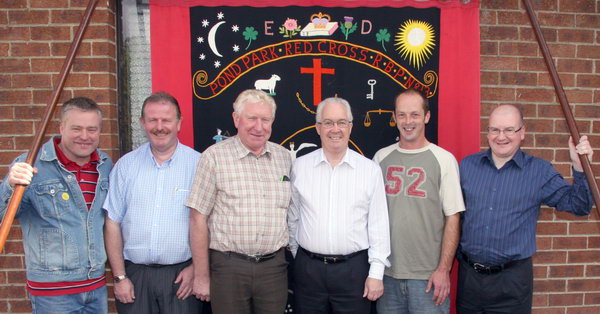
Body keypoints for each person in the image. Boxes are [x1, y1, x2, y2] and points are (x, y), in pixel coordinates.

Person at [458, 104, 594, 313]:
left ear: (522, 132)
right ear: (488, 133)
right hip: (470, 280)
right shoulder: (467, 167)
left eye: (509, 130)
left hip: (511, 284)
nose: (501, 136)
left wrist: (579, 166)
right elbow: (453, 217)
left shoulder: (539, 172)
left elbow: (579, 205)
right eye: (495, 129)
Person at [0, 97, 112, 313]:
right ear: (61, 128)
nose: (84, 136)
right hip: (53, 293)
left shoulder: (105, 166)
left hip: (96, 287)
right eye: (76, 129)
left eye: (92, 129)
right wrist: (9, 184)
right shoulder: (31, 165)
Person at [186, 89, 292, 314]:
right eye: (251, 118)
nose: (259, 126)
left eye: (265, 119)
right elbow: (198, 219)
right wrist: (202, 276)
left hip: (274, 269)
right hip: (229, 268)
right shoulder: (214, 157)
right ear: (236, 119)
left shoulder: (284, 158)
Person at [288, 97, 391, 313]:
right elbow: (293, 216)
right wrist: (301, 257)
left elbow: (378, 225)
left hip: (354, 273)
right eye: (328, 122)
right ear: (318, 128)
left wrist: (376, 273)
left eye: (342, 122)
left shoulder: (369, 170)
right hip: (308, 271)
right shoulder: (300, 167)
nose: (335, 129)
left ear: (351, 127)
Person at [103, 92, 202, 313]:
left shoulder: (199, 164)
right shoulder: (125, 166)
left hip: (182, 277)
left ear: (178, 123)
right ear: (142, 123)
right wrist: (119, 277)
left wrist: (197, 268)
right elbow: (112, 223)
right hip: (135, 277)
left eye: (166, 120)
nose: (160, 126)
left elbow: (211, 223)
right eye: (152, 120)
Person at [373, 89, 465, 313]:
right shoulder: (380, 158)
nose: (408, 121)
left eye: (414, 114)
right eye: (402, 115)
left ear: (426, 117)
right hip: (387, 275)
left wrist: (444, 269)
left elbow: (453, 217)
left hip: (428, 278)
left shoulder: (444, 160)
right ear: (394, 117)